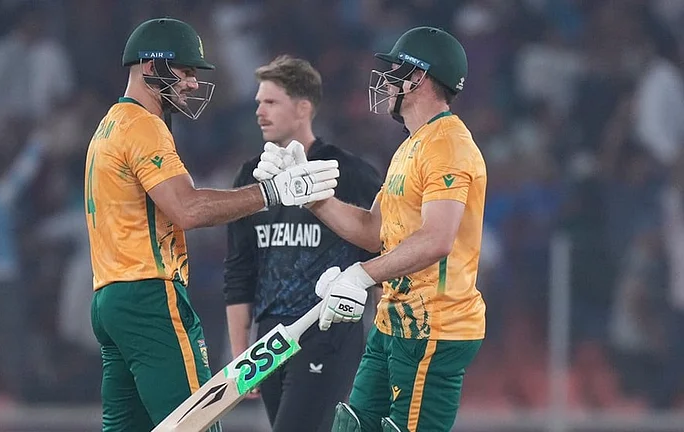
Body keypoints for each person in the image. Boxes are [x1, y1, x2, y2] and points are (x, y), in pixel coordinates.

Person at [84, 18, 339, 432]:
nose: (190, 83)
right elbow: (188, 209)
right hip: (151, 295)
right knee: (197, 423)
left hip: (110, 298)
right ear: (152, 67)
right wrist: (272, 193)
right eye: (184, 71)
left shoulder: (110, 124)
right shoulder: (144, 126)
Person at [257, 27, 487, 432]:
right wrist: (309, 196)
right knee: (352, 426)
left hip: (435, 329)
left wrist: (360, 275)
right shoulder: (411, 145)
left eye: (397, 70)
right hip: (393, 321)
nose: (387, 79)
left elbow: (437, 239)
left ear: (419, 78)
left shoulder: (448, 145)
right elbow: (373, 229)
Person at [223, 55, 382, 432]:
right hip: (271, 338)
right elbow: (240, 270)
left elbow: (379, 258)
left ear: (303, 107)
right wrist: (242, 354)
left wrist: (379, 346)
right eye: (258, 102)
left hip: (327, 330)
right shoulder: (250, 178)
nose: (259, 111)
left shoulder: (350, 174)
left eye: (271, 102)